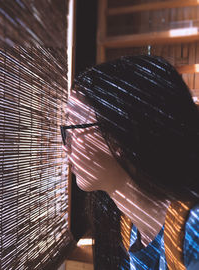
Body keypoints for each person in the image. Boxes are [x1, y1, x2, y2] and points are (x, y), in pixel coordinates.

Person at [61, 55, 199, 270]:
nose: (65, 146)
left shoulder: (193, 233)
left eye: (71, 128)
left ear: (119, 132)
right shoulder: (130, 228)